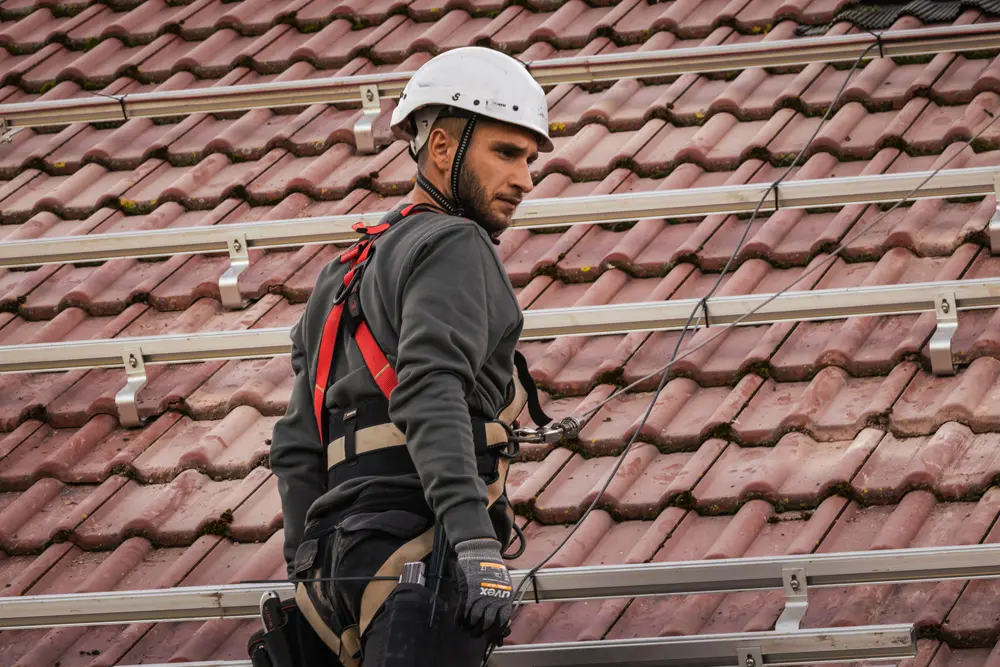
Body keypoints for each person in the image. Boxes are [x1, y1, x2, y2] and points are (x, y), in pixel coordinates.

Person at [265, 46, 554, 667]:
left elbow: (295, 442)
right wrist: (475, 541)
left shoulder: (338, 276)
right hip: (422, 553)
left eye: (530, 160)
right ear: (444, 148)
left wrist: (305, 564)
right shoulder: (454, 242)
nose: (526, 179)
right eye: (506, 153)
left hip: (332, 575)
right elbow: (429, 388)